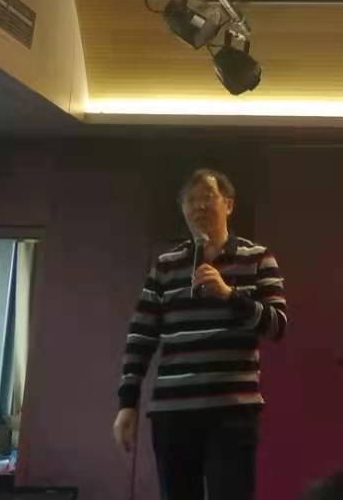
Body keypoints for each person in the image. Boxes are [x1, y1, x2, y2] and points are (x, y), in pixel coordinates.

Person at [114, 168, 288, 500]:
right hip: (172, 413)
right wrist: (127, 404)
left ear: (229, 205)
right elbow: (141, 337)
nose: (199, 206)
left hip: (232, 412)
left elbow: (277, 326)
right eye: (190, 200)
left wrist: (230, 295)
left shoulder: (258, 258)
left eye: (208, 197)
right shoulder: (166, 265)